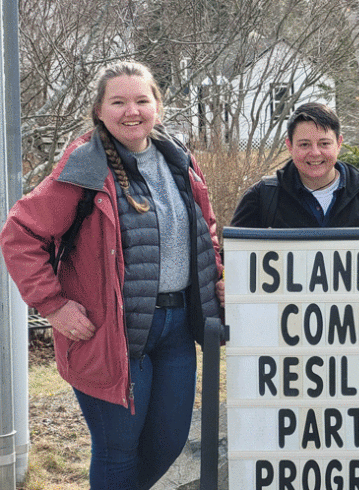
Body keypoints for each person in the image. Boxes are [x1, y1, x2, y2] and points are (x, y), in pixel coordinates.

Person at [0, 61, 224, 490]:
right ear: (99, 110)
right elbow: (19, 233)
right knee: (118, 451)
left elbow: (204, 227)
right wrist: (53, 304)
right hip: (110, 333)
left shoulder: (178, 159)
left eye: (142, 100)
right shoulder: (85, 167)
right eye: (118, 102)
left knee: (169, 441)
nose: (131, 111)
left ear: (158, 106)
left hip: (177, 328)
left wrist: (215, 272)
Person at [230, 102, 359, 228]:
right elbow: (235, 259)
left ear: (339, 144)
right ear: (290, 146)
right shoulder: (261, 198)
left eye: (324, 143)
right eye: (304, 144)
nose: (315, 153)